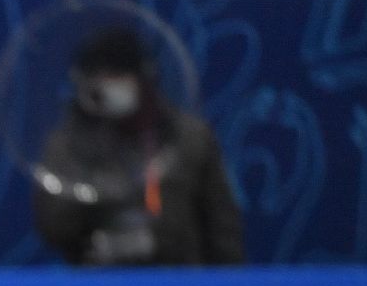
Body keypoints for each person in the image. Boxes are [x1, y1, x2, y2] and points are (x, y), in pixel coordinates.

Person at [33, 26, 245, 267]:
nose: (104, 86)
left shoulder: (189, 138)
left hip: (182, 284)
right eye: (95, 77)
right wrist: (90, 168)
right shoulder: (67, 145)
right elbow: (54, 228)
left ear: (144, 78)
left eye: (114, 75)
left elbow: (222, 225)